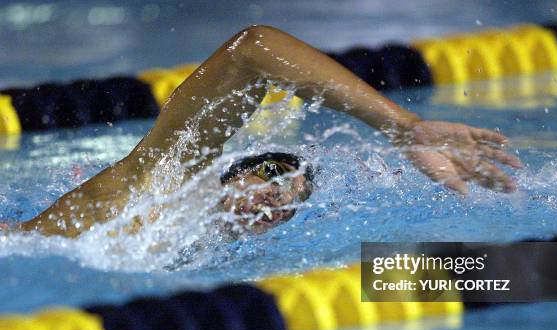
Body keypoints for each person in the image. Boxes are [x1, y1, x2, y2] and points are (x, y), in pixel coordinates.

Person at [7, 25, 521, 238]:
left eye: (288, 206)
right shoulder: (157, 188)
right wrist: (404, 127)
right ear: (227, 173)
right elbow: (254, 48)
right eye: (271, 178)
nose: (272, 202)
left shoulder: (210, 247)